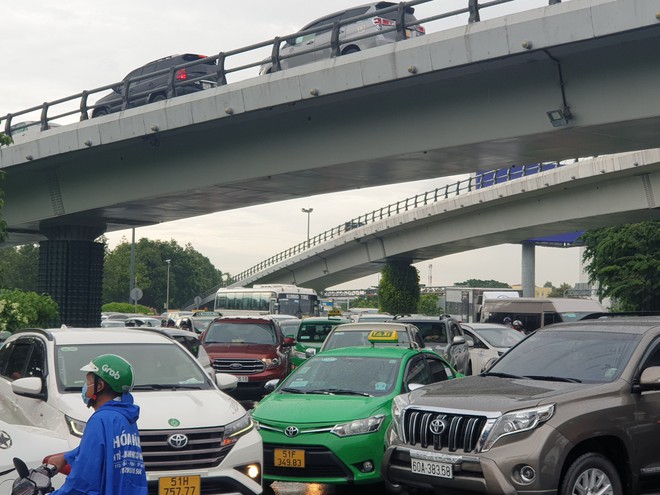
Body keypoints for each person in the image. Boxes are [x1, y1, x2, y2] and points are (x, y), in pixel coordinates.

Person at [48, 354, 148, 495]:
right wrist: (66, 457)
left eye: (88, 382)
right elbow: (101, 450)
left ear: (100, 386)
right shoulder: (125, 418)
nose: (84, 387)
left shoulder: (101, 419)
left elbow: (83, 481)